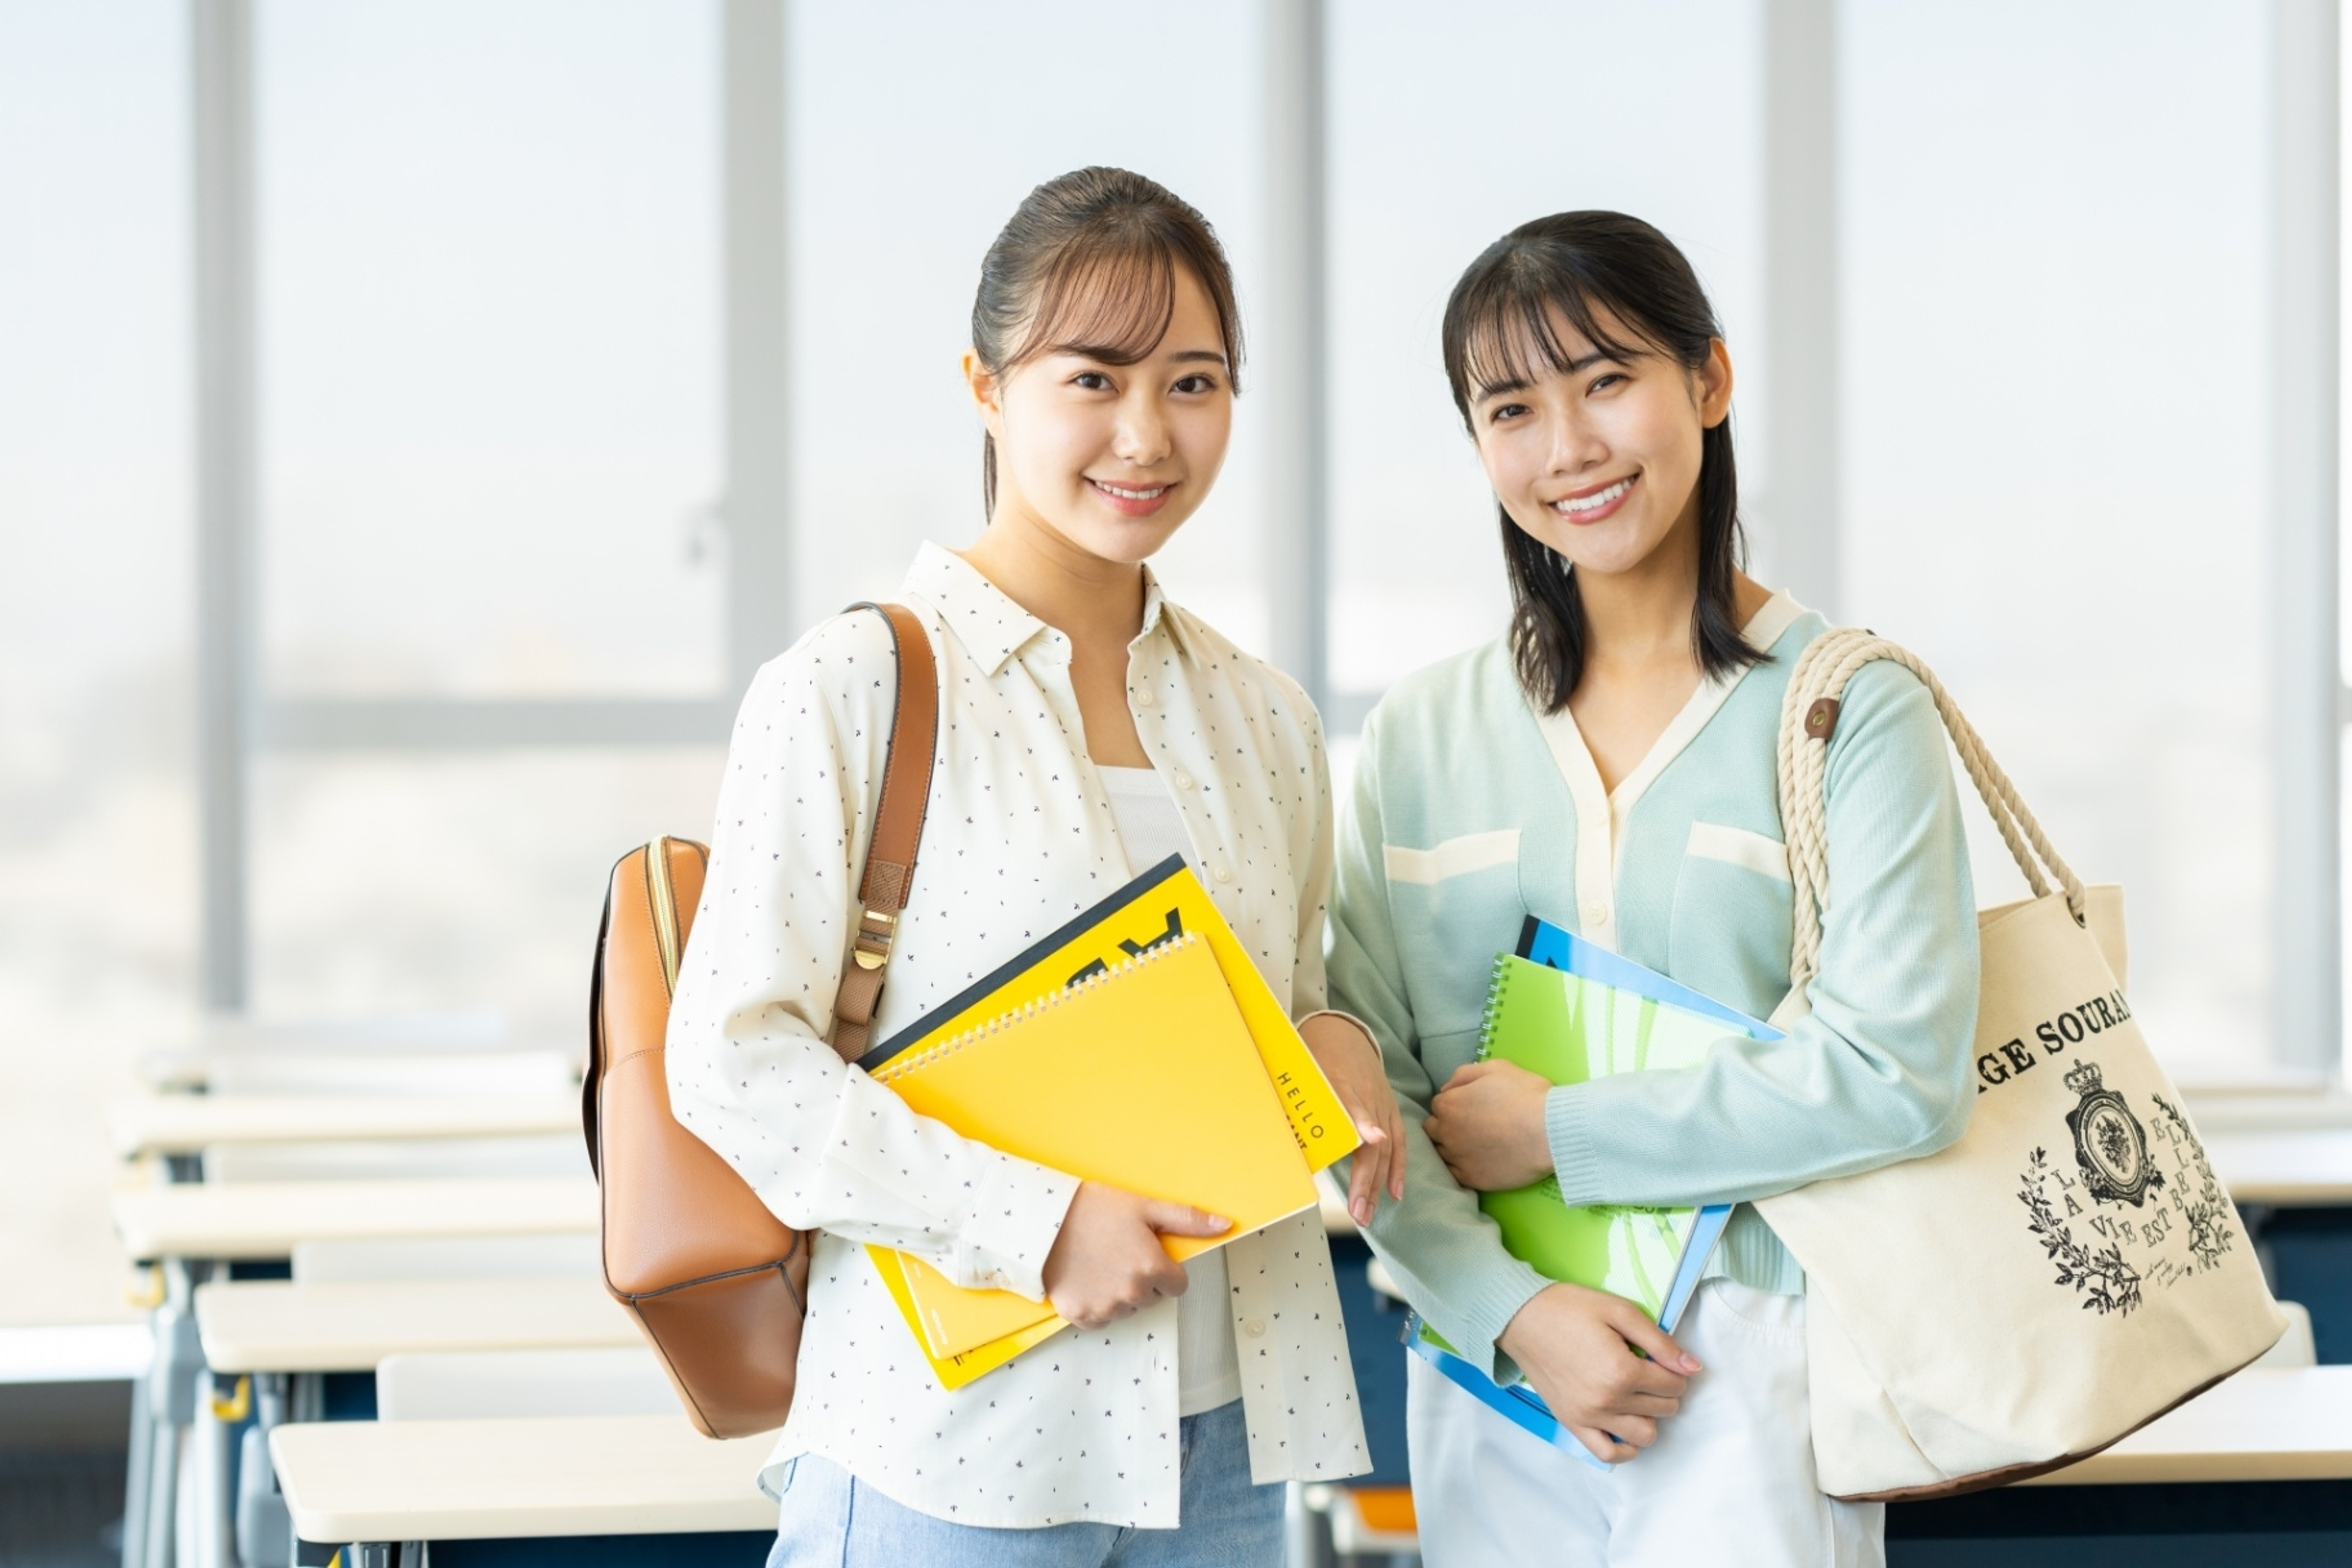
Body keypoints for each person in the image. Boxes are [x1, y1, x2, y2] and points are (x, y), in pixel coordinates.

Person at [665, 165, 1402, 1568]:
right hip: (951, 1447)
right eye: (1094, 377)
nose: (1146, 433)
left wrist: (1338, 1041)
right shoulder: (853, 684)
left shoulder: (1266, 716)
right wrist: (1038, 1220)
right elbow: (734, 1059)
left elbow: (1282, 995)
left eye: (1194, 382)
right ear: (987, 386)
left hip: (1229, 1450)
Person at [1327, 211, 1981, 1566]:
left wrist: (1561, 1129)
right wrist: (1508, 1308)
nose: (1567, 447)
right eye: (1512, 406)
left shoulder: (1849, 709)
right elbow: (1369, 1083)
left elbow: (1898, 1072)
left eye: (1607, 379)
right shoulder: (1422, 733)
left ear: (1711, 382)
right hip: (1490, 1368)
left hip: (1758, 1362)